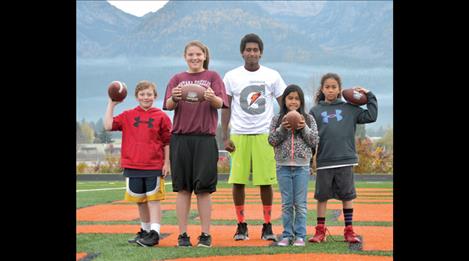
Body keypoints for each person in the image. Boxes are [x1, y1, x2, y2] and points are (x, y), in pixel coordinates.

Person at [221, 33, 287, 241]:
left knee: (265, 182)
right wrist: (225, 136)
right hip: (239, 134)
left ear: (261, 53)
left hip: (264, 135)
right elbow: (226, 107)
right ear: (242, 52)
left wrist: (283, 130)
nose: (252, 53)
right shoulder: (231, 76)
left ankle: (267, 225)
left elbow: (285, 103)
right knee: (238, 182)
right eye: (248, 49)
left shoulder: (272, 75)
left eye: (255, 50)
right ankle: (241, 225)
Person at [163, 40, 228, 248]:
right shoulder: (177, 78)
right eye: (190, 54)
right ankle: (182, 234)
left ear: (204, 56)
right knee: (182, 189)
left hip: (205, 138)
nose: (194, 58)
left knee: (204, 190)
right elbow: (168, 105)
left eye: (198, 54)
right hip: (181, 138)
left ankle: (205, 234)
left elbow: (222, 104)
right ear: (185, 57)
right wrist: (174, 97)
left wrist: (211, 97)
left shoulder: (213, 77)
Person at [308, 73, 378, 243]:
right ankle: (320, 232)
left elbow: (371, 115)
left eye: (334, 87)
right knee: (322, 197)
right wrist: (311, 161)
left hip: (345, 159)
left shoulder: (350, 109)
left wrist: (369, 95)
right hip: (324, 160)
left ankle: (349, 231)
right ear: (322, 89)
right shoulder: (315, 111)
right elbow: (310, 138)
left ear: (339, 89)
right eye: (327, 87)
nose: (330, 90)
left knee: (347, 197)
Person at [104, 80, 172, 247]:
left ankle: (155, 233)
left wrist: (167, 163)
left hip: (153, 165)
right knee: (140, 201)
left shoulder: (161, 116)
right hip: (133, 164)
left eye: (149, 94)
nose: (146, 97)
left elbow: (167, 142)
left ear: (155, 96)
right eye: (142, 94)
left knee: (153, 200)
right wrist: (111, 104)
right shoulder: (128, 115)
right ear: (136, 97)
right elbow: (107, 125)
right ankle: (145, 231)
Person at [268, 84, 319, 246]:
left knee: (301, 204)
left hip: (302, 166)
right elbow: (272, 141)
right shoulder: (277, 119)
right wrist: (283, 128)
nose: (293, 101)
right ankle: (287, 235)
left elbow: (314, 141)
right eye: (290, 98)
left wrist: (304, 129)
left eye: (297, 98)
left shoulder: (309, 119)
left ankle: (300, 236)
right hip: (282, 165)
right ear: (284, 100)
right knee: (287, 203)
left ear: (301, 101)